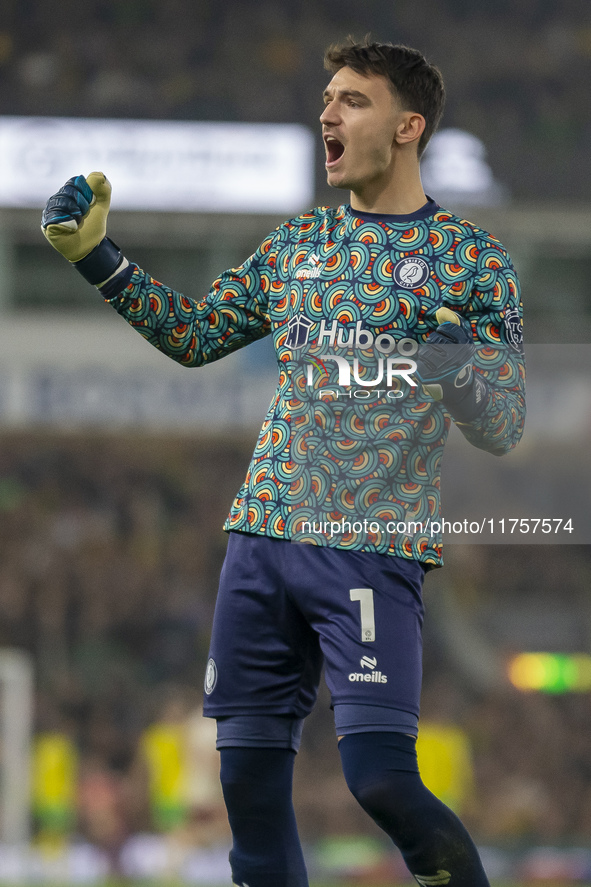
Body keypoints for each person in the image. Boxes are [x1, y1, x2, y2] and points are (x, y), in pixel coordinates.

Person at [42, 38, 525, 887]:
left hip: (369, 545)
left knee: (380, 778)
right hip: (259, 538)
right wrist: (97, 258)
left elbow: (502, 423)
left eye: (351, 101)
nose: (326, 114)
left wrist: (455, 366)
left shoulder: (470, 260)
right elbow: (193, 336)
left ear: (407, 126)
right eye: (326, 97)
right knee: (247, 791)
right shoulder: (295, 243)